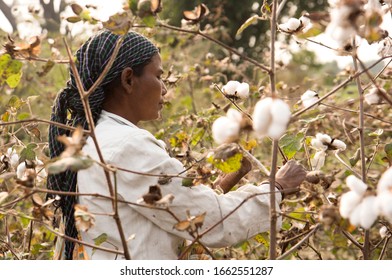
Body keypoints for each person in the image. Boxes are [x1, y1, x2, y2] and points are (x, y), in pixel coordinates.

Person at [48, 29, 306, 260]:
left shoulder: (88, 139)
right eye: (158, 76)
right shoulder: (127, 146)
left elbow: (169, 209)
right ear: (128, 79)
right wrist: (276, 188)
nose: (163, 89)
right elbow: (211, 222)